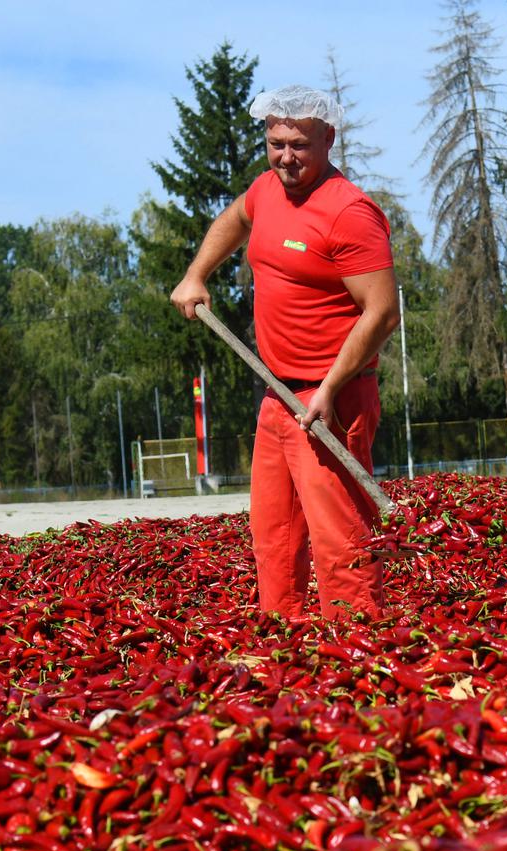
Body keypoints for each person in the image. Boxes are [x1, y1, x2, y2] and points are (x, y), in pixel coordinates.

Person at [171, 85, 399, 621]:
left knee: (340, 537)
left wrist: (328, 390)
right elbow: (236, 218)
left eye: (299, 144)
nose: (286, 157)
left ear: (328, 139)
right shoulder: (267, 190)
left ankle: (359, 654)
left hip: (332, 398)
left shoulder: (350, 213)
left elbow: (383, 313)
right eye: (276, 143)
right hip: (276, 392)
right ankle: (286, 647)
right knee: (274, 534)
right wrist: (196, 274)